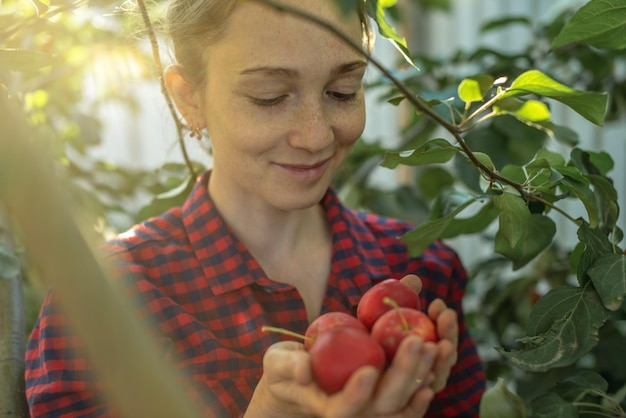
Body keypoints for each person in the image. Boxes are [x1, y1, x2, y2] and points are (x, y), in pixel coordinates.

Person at [24, 0, 486, 416]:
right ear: (189, 98)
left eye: (343, 90)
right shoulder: (101, 307)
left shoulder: (424, 272)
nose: (316, 135)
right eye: (269, 97)